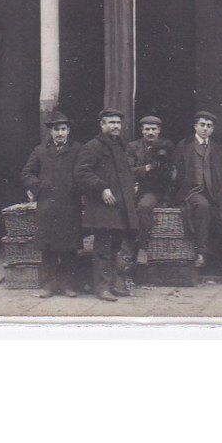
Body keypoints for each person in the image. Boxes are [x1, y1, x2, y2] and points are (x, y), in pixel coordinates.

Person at [173, 111, 222, 286]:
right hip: (193, 193)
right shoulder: (184, 145)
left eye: (209, 126)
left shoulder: (217, 148)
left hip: (216, 196)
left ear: (213, 129)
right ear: (195, 126)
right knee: (202, 206)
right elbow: (175, 174)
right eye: (202, 125)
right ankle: (201, 253)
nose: (205, 129)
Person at [73, 108, 139, 301]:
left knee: (114, 247)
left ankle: (111, 285)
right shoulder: (93, 146)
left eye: (118, 123)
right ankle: (101, 288)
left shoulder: (120, 146)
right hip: (102, 207)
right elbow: (81, 173)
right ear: (102, 125)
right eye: (111, 122)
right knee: (102, 248)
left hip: (119, 207)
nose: (116, 126)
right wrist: (102, 188)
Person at [20, 110, 82, 298]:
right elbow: (26, 173)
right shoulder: (40, 151)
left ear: (69, 130)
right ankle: (49, 285)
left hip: (69, 205)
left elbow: (84, 172)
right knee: (47, 248)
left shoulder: (78, 149)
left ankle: (68, 285)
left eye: (63, 129)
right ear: (50, 132)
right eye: (56, 129)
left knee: (69, 248)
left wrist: (76, 186)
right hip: (47, 206)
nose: (60, 133)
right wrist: (38, 186)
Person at [126, 115, 176, 265]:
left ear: (159, 130)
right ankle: (125, 252)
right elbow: (128, 170)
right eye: (147, 129)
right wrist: (147, 168)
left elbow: (172, 169)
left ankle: (143, 248)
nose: (150, 132)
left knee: (144, 206)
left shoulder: (166, 146)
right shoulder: (133, 147)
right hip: (136, 187)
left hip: (155, 190)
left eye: (153, 129)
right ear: (141, 130)